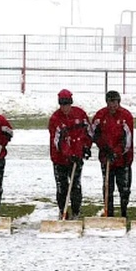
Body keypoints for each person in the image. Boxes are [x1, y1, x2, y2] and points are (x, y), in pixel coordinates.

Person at [48, 89, 91, 220]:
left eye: (67, 105)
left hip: (77, 158)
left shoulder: (80, 114)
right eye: (62, 105)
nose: (65, 108)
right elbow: (58, 142)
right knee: (62, 186)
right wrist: (69, 155)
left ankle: (76, 212)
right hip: (60, 159)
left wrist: (86, 147)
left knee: (75, 185)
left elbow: (88, 133)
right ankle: (63, 211)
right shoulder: (55, 119)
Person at [91, 90, 134, 218]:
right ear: (107, 102)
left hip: (123, 159)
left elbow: (128, 139)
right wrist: (104, 148)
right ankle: (108, 213)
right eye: (110, 102)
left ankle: (123, 213)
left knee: (124, 188)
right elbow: (93, 134)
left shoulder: (126, 116)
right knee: (108, 187)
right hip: (106, 158)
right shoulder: (100, 116)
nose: (113, 105)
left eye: (115, 102)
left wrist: (117, 152)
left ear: (119, 102)